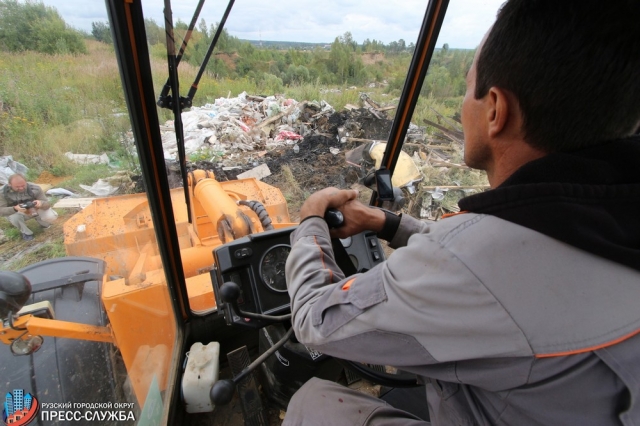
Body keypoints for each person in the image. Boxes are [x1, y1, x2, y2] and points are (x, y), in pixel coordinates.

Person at [283, 0, 640, 425]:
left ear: (495, 110)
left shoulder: (471, 263)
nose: (460, 108)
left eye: (467, 88)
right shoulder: (603, 218)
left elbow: (314, 319)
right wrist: (388, 224)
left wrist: (308, 224)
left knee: (315, 402)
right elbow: (498, 254)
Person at [0, 173, 58, 241]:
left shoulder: (35, 188)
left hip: (34, 209)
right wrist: (14, 208)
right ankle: (26, 233)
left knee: (51, 216)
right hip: (18, 212)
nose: (21, 188)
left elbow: (47, 204)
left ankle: (44, 224)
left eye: (23, 185)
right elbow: (1, 210)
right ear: (10, 184)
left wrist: (41, 203)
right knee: (14, 217)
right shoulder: (2, 193)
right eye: (17, 187)